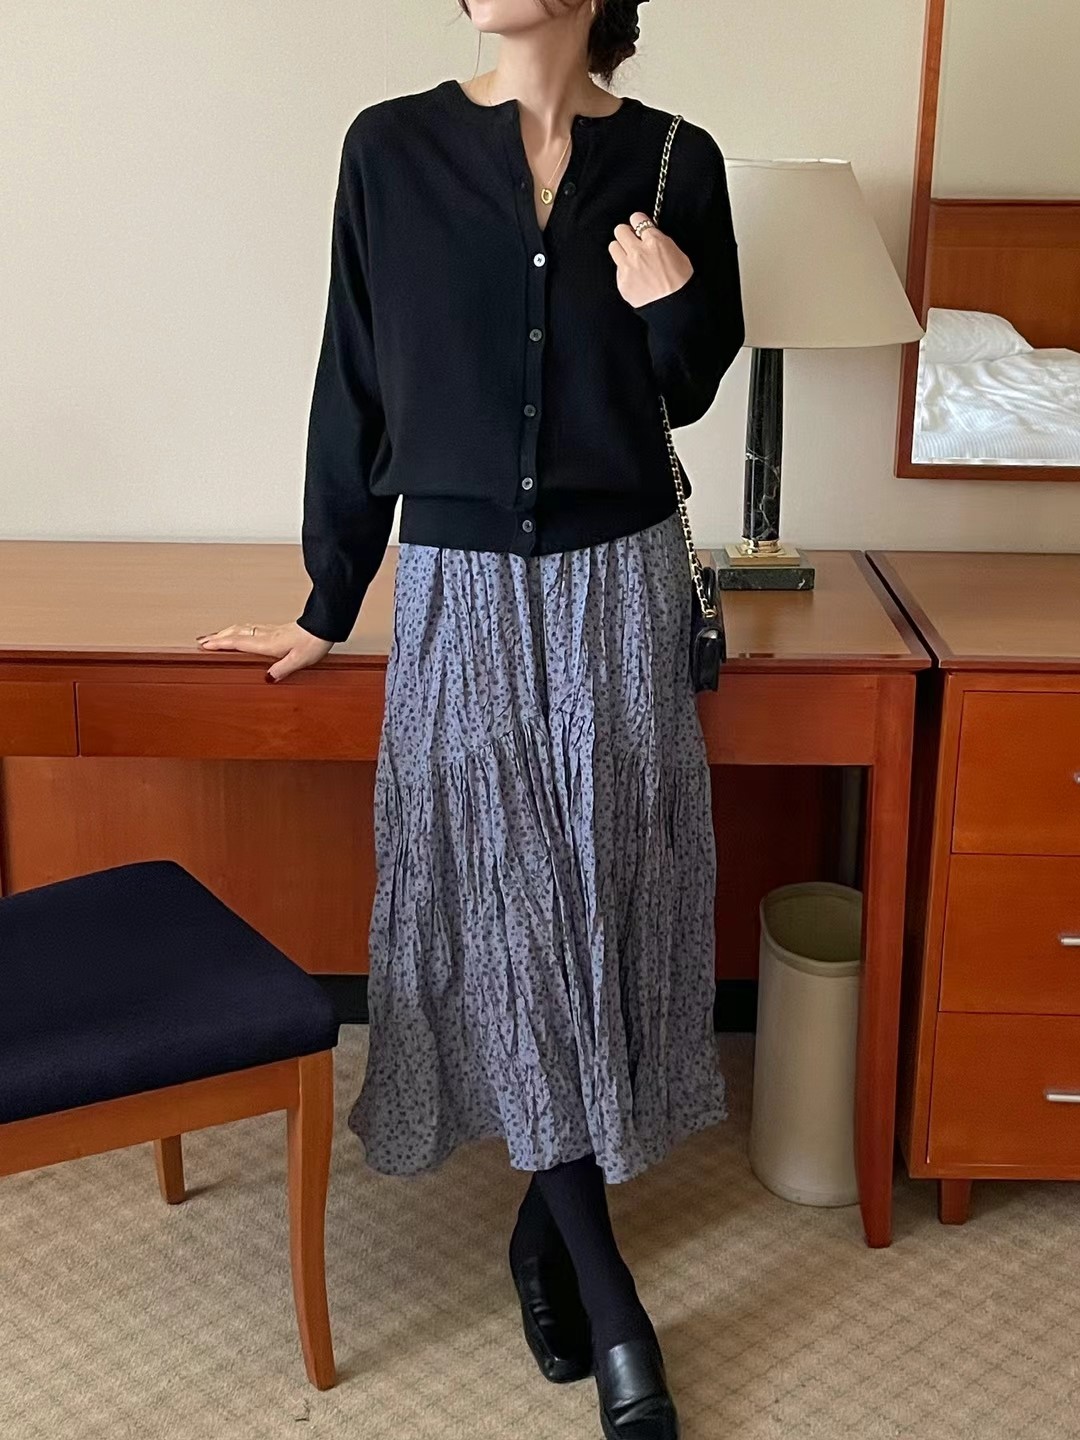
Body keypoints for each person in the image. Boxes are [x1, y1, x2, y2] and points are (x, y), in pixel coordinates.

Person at [196, 0, 744, 1433]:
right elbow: (356, 375)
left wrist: (672, 298)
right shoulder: (392, 151)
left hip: (620, 583)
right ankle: (614, 1306)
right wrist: (330, 599)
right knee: (504, 907)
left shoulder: (679, 160)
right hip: (460, 592)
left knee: (601, 900)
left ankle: (540, 1231)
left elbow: (688, 386)